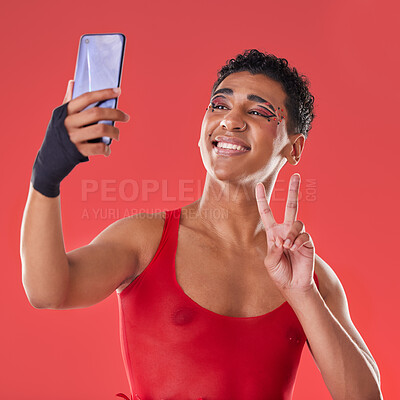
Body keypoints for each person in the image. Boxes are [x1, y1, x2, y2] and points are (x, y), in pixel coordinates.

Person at [20, 49, 383, 400]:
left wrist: (303, 295)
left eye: (257, 111)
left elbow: (366, 397)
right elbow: (48, 291)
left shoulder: (313, 279)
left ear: (294, 147)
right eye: (220, 105)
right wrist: (46, 177)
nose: (231, 120)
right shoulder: (147, 239)